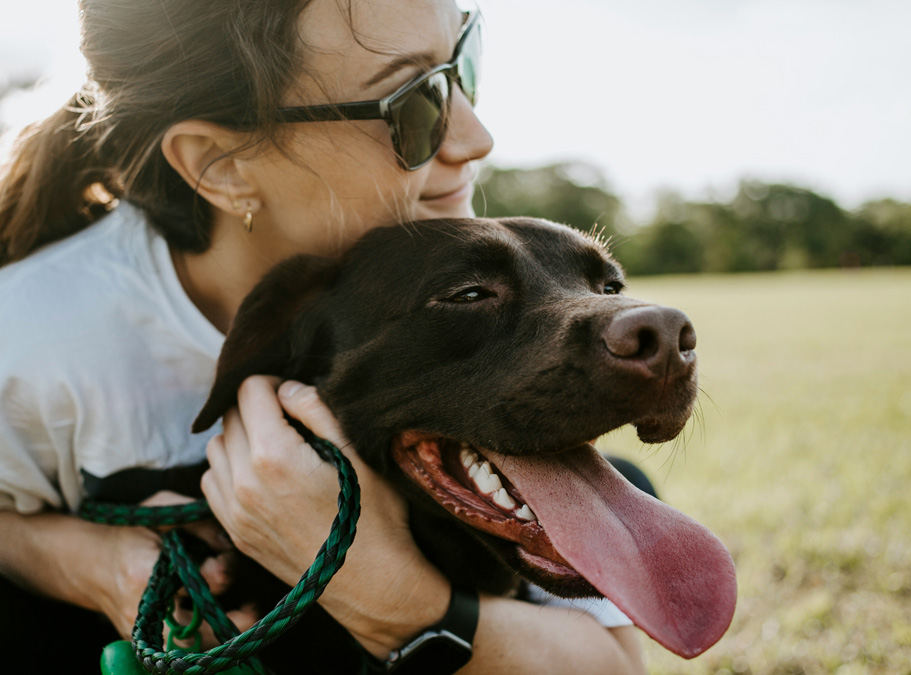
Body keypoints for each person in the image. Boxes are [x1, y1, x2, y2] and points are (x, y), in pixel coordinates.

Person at [0, 0, 648, 672]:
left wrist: (381, 584)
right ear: (221, 163)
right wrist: (92, 564)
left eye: (465, 62)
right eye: (412, 101)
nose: (475, 135)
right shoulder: (31, 339)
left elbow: (614, 666)